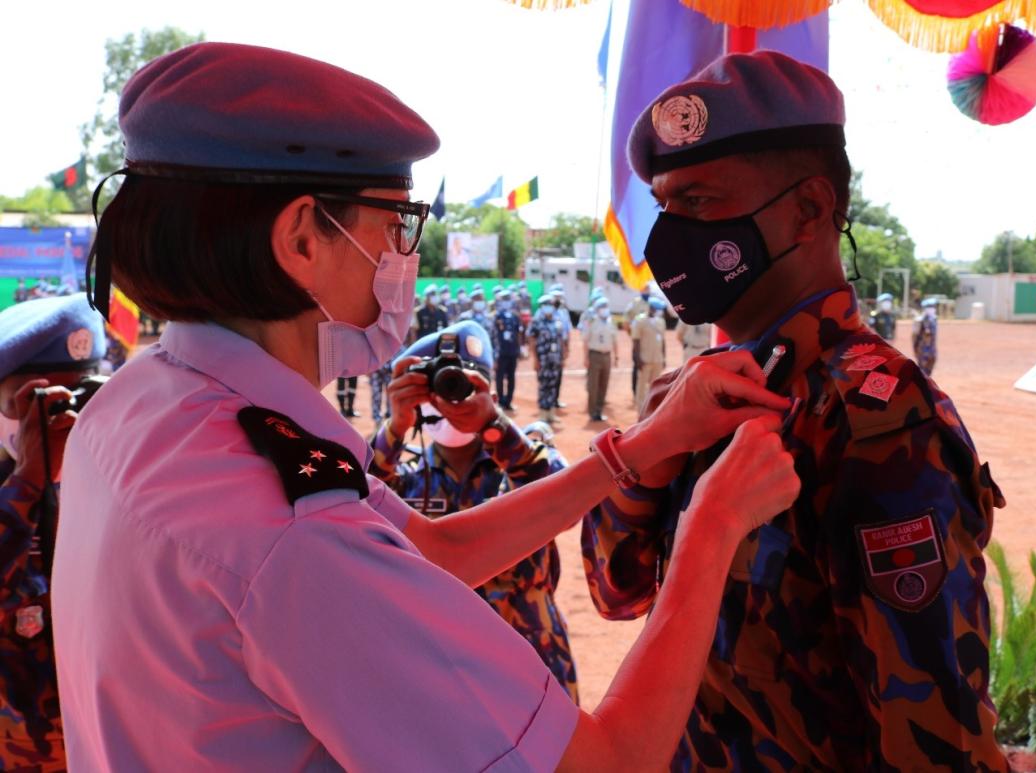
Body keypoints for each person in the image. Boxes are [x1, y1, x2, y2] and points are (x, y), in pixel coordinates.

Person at [52, 42, 799, 771]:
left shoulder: (137, 403)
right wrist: (711, 525)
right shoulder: (294, 536)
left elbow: (437, 551)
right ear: (303, 239)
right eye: (397, 224)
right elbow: (608, 763)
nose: (403, 255)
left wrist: (638, 449)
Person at [582, 50, 1007, 770]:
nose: (669, 235)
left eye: (698, 203)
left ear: (808, 209)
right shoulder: (700, 394)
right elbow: (615, 590)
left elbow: (937, 744)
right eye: (664, 206)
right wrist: (648, 457)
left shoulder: (877, 426)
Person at [369, 321, 578, 702]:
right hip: (437, 669)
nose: (449, 400)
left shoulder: (526, 456)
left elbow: (565, 499)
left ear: (490, 394)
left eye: (462, 386)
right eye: (436, 390)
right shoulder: (405, 476)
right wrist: (395, 429)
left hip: (530, 661)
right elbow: (351, 504)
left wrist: (495, 427)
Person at [0, 293, 108, 772]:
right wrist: (27, 481)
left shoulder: (121, 483)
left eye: (76, 398)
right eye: (40, 402)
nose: (62, 420)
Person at [526, 293, 565, 426]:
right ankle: (543, 413)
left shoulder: (557, 321)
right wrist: (535, 359)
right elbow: (532, 340)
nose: (549, 307)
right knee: (543, 386)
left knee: (553, 386)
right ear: (542, 307)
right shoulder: (536, 322)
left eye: (551, 304)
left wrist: (562, 357)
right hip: (543, 360)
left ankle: (551, 413)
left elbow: (560, 340)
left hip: (555, 359)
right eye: (546, 304)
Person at [581, 296, 617, 422]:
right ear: (597, 309)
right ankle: (592, 412)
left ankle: (599, 411)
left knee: (604, 384)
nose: (605, 309)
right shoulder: (591, 322)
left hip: (607, 356)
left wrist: (616, 356)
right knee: (593, 385)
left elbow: (615, 340)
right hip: (594, 355)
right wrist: (586, 358)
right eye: (602, 307)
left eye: (606, 306)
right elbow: (585, 341)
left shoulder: (611, 322)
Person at [631, 296, 667, 416]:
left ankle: (652, 413)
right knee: (641, 387)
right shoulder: (640, 320)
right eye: (657, 309)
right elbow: (636, 341)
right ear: (651, 308)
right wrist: (637, 359)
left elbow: (663, 341)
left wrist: (664, 357)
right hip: (644, 359)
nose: (659, 311)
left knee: (655, 386)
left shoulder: (661, 321)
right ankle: (641, 413)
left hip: (657, 359)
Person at [491, 288, 522, 414]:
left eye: (508, 299)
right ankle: (500, 401)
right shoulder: (496, 316)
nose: (506, 302)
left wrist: (520, 349)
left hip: (512, 352)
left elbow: (518, 333)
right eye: (504, 299)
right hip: (500, 353)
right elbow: (492, 336)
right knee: (499, 377)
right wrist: (494, 354)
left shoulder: (515, 317)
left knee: (511, 377)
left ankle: (509, 401)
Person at [623, 288, 651, 398]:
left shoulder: (653, 302)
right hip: (638, 341)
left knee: (650, 366)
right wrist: (633, 335)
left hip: (651, 342)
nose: (647, 290)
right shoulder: (635, 303)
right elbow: (626, 321)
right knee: (637, 366)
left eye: (648, 288)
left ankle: (648, 393)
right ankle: (635, 391)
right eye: (645, 288)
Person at [913, 297, 939, 375]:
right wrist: (915, 349)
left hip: (932, 350)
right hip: (923, 351)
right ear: (925, 308)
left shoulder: (934, 319)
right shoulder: (919, 320)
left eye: (933, 306)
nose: (932, 308)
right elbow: (914, 336)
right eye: (930, 306)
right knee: (922, 373)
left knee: (928, 373)